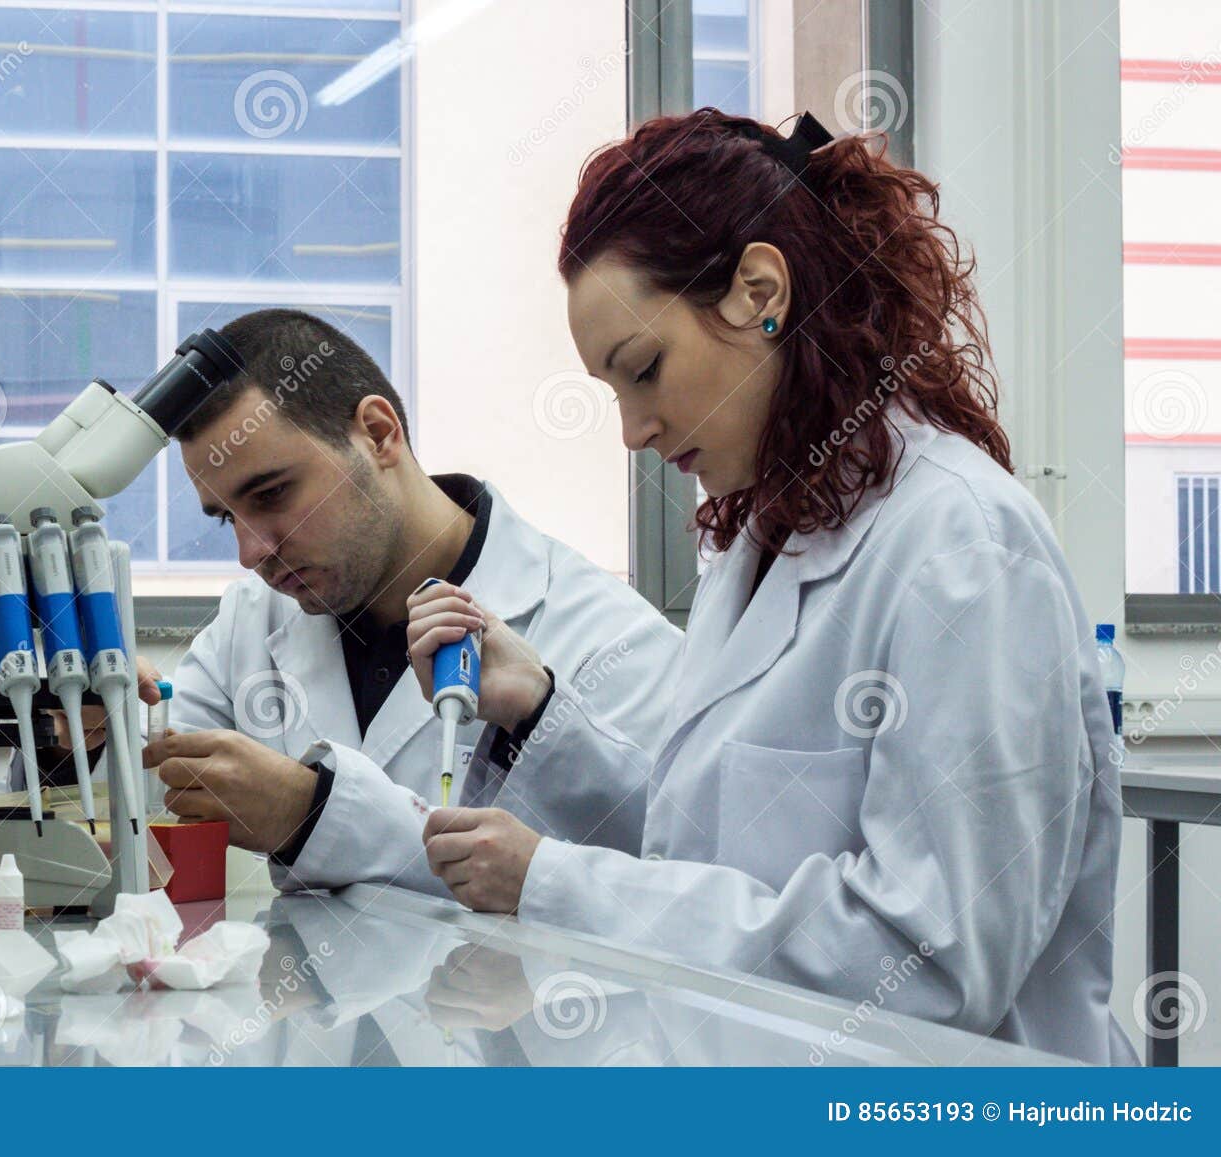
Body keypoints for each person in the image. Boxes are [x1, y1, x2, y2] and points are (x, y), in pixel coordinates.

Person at [407, 111, 1137, 1065]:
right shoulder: (762, 538)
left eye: (644, 370)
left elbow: (930, 960)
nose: (631, 430)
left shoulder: (960, 542)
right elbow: (709, 850)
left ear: (761, 291)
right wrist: (539, 710)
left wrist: (554, 882)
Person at [138, 307, 681, 893]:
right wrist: (95, 722)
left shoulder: (609, 637)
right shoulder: (255, 616)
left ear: (378, 433)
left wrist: (315, 814)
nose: (251, 552)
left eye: (271, 494)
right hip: (304, 984)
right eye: (227, 520)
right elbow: (149, 764)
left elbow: (663, 888)